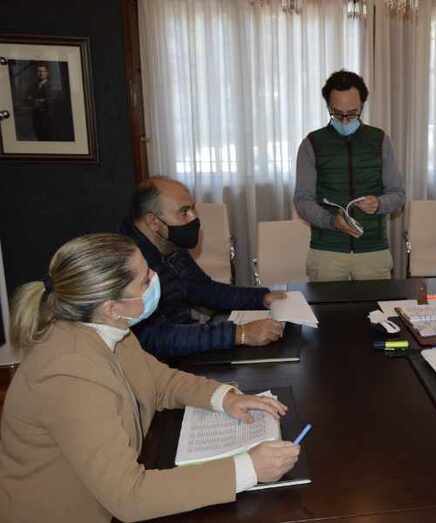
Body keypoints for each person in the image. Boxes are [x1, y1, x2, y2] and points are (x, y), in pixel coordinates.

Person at [0, 234, 301, 523]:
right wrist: (248, 469)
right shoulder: (69, 376)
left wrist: (225, 398)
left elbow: (159, 381)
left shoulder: (110, 330)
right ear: (111, 307)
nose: (156, 279)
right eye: (145, 280)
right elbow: (129, 496)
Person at [120, 177, 285, 359]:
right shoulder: (126, 263)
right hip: (158, 361)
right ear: (153, 221)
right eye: (184, 212)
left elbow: (203, 289)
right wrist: (240, 334)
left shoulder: (168, 244)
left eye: (193, 209)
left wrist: (262, 298)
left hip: (184, 344)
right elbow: (154, 338)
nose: (194, 218)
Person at [294, 70, 406, 281]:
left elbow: (398, 195)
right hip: (327, 252)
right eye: (338, 113)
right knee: (326, 304)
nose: (345, 120)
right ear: (328, 107)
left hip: (373, 251)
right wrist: (331, 221)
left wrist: (379, 204)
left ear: (362, 106)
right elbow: (302, 199)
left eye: (352, 113)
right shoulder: (312, 143)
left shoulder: (380, 140)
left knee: (378, 304)